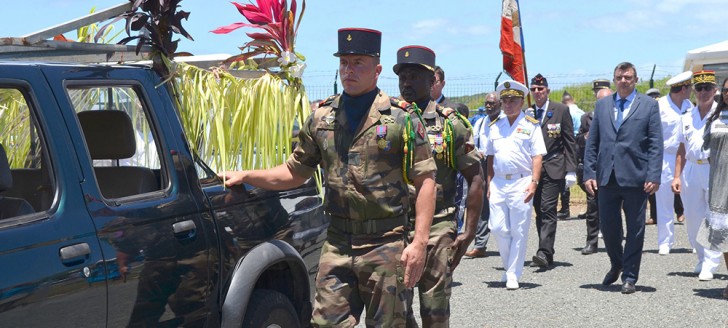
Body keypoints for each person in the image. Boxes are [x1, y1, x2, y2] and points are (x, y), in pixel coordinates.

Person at [218, 28, 438, 327]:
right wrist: (247, 175)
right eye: (344, 62)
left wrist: (420, 243)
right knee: (324, 323)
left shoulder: (401, 118)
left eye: (358, 62)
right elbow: (294, 171)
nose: (349, 69)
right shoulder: (323, 118)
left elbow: (426, 180)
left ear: (377, 70)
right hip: (337, 243)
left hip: (384, 244)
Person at [395, 45, 483, 328]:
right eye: (402, 76)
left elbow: (476, 178)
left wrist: (468, 232)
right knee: (396, 311)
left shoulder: (450, 125)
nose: (406, 83)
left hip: (437, 228)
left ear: (432, 81)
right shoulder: (390, 121)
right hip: (396, 227)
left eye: (414, 76)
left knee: (434, 313)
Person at [584, 62, 662, 294]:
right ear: (614, 79)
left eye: (628, 77)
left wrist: (654, 174)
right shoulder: (603, 105)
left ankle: (629, 276)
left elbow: (656, 143)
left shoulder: (648, 106)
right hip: (607, 176)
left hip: (636, 177)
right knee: (608, 228)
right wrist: (589, 172)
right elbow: (593, 142)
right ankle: (616, 263)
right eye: (619, 77)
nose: (623, 81)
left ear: (635, 80)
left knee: (635, 229)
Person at [486, 80, 546, 290]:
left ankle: (513, 273)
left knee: (519, 229)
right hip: (499, 182)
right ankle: (508, 266)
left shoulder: (531, 125)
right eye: (505, 100)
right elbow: (490, 158)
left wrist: (534, 182)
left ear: (521, 101)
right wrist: (488, 183)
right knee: (497, 227)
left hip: (522, 180)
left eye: (513, 100)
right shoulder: (494, 126)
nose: (508, 104)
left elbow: (537, 156)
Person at [672, 70, 723, 281]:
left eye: (708, 88)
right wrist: (676, 176)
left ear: (715, 90)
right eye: (699, 88)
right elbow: (681, 149)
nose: (703, 92)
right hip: (691, 169)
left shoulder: (722, 115)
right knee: (693, 217)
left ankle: (711, 262)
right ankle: (701, 257)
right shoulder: (686, 116)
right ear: (693, 91)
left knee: (714, 217)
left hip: (715, 168)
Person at [528, 73, 577, 268]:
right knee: (539, 210)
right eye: (534, 89)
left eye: (541, 89)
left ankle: (543, 251)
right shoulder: (527, 112)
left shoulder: (561, 110)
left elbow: (569, 142)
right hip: (535, 170)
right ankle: (547, 251)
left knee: (548, 209)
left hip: (554, 166)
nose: (537, 92)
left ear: (547, 91)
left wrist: (571, 169)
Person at [655, 71, 694, 255]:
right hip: (665, 157)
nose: (692, 91)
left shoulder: (689, 106)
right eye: (690, 87)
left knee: (691, 201)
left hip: (686, 157)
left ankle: (696, 242)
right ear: (683, 88)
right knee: (664, 201)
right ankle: (665, 242)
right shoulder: (660, 106)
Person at [697, 76, 728, 299]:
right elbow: (706, 148)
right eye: (726, 90)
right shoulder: (715, 118)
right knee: (724, 236)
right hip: (720, 185)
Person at [465, 92, 501, 258]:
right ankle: (480, 245)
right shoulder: (480, 122)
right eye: (487, 103)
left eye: (492, 103)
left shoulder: (505, 122)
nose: (488, 106)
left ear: (500, 104)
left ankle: (506, 242)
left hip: (500, 168)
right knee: (481, 205)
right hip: (482, 166)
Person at [577, 86, 612, 255]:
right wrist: (585, 137)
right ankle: (591, 242)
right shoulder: (587, 118)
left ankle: (615, 241)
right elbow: (579, 141)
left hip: (613, 170)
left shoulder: (619, 116)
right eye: (601, 100)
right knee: (592, 208)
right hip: (595, 170)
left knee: (614, 208)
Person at [558, 91, 585, 219]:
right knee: (582, 177)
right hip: (582, 146)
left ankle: (565, 209)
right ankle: (591, 207)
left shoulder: (566, 112)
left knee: (564, 178)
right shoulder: (581, 112)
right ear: (573, 100)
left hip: (570, 147)